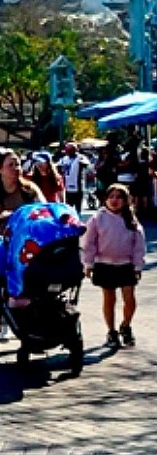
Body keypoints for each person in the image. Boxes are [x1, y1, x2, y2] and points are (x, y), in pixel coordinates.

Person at [83, 185, 146, 348]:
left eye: (119, 197)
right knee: (109, 299)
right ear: (105, 200)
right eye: (111, 196)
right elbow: (89, 243)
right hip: (104, 264)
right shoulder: (98, 219)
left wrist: (138, 265)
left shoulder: (131, 220)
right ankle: (111, 331)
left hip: (126, 265)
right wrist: (88, 264)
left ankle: (126, 325)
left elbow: (138, 245)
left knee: (129, 299)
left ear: (126, 201)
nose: (115, 200)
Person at [0, 148, 46, 287]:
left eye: (18, 164)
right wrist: (0, 217)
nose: (16, 168)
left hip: (29, 238)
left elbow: (44, 208)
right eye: (10, 165)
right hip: (1, 237)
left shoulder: (30, 188)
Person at [58, 142, 90, 212]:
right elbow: (58, 168)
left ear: (75, 150)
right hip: (67, 187)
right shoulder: (64, 159)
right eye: (67, 150)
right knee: (68, 208)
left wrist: (81, 162)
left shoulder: (80, 157)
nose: (68, 152)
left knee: (78, 208)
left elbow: (86, 164)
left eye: (70, 150)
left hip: (78, 187)